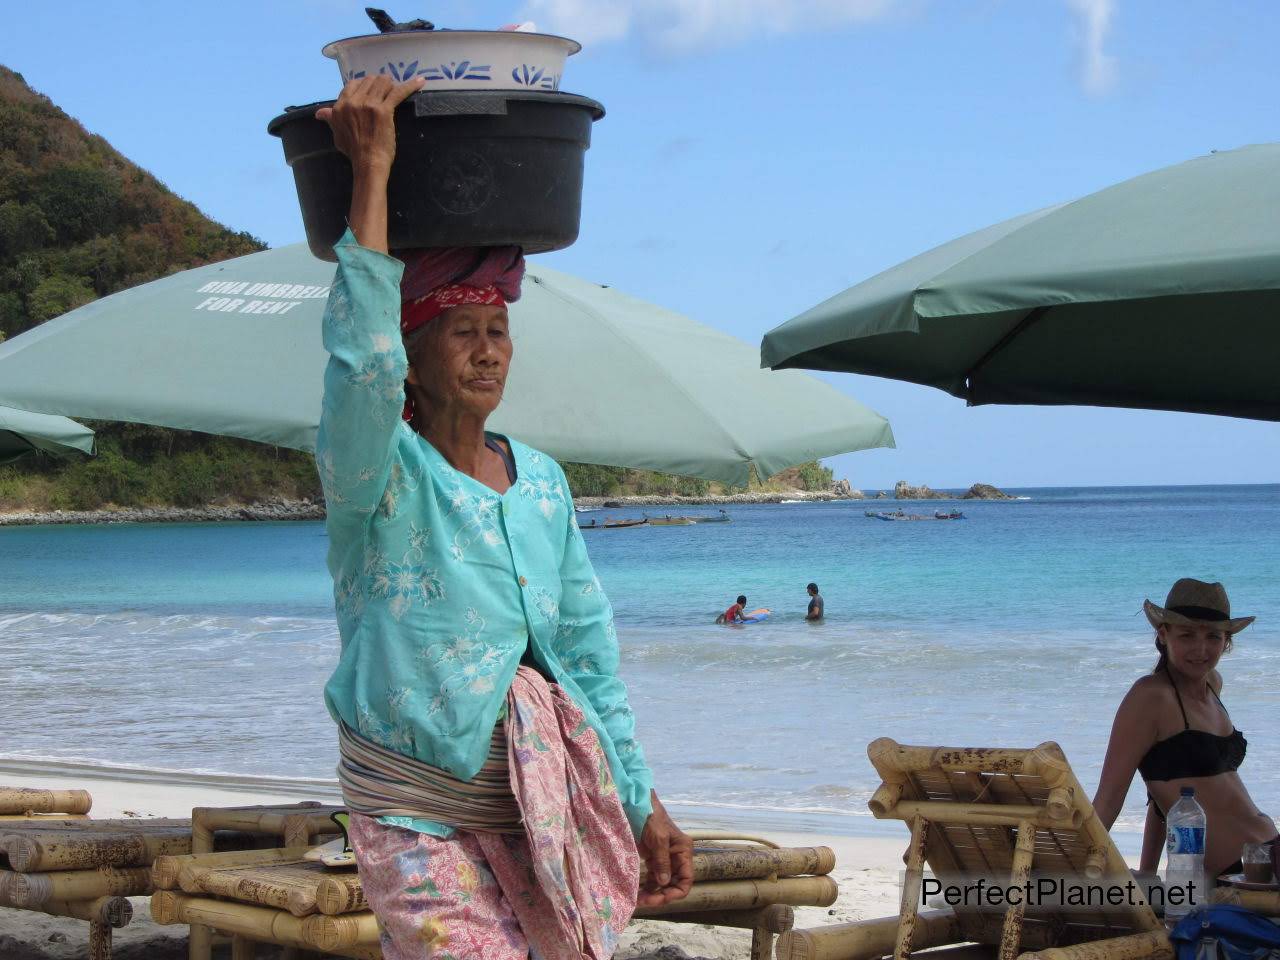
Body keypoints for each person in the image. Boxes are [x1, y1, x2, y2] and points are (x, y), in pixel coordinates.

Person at [315, 75, 692, 959]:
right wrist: (373, 167)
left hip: (545, 810)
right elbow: (356, 359)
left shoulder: (543, 483)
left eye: (500, 329)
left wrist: (641, 799)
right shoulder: (378, 476)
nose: (489, 350)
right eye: (462, 331)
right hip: (415, 814)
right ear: (412, 358)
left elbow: (588, 661)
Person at [1092, 579, 1277, 880]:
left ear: (1227, 642)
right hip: (1234, 876)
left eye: (1213, 637)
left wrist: (1149, 869)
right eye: (1187, 635)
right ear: (1163, 635)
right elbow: (1108, 800)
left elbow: (1165, 791)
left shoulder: (1213, 684)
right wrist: (1079, 867)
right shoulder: (1150, 697)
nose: (1200, 649)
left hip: (1268, 855)